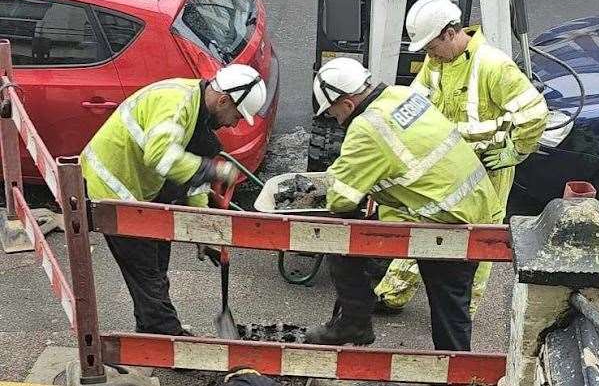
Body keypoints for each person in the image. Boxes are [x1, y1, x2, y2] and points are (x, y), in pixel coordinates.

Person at [304, 57, 500, 351]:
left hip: (447, 221)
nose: (336, 119)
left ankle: (358, 325)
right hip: (473, 204)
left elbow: (341, 200)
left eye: (333, 112)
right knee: (448, 303)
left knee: (343, 248)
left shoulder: (367, 128)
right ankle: (352, 321)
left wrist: (335, 186)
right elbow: (402, 162)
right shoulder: (401, 94)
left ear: (346, 103)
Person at [374, 0, 548, 316]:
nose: (429, 55)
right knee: (424, 226)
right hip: (445, 168)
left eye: (431, 47)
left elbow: (534, 112)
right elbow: (416, 100)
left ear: (450, 33)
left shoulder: (493, 66)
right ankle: (392, 294)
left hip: (486, 171)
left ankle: (463, 310)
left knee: (478, 241)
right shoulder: (437, 61)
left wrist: (517, 150)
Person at [80, 65, 267, 336]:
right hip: (110, 191)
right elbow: (162, 157)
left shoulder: (198, 112)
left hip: (140, 191)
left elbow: (191, 179)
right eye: (236, 116)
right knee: (147, 273)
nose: (233, 124)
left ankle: (152, 332)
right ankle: (165, 337)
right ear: (223, 100)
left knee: (156, 265)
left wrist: (204, 230)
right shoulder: (176, 103)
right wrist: (212, 170)